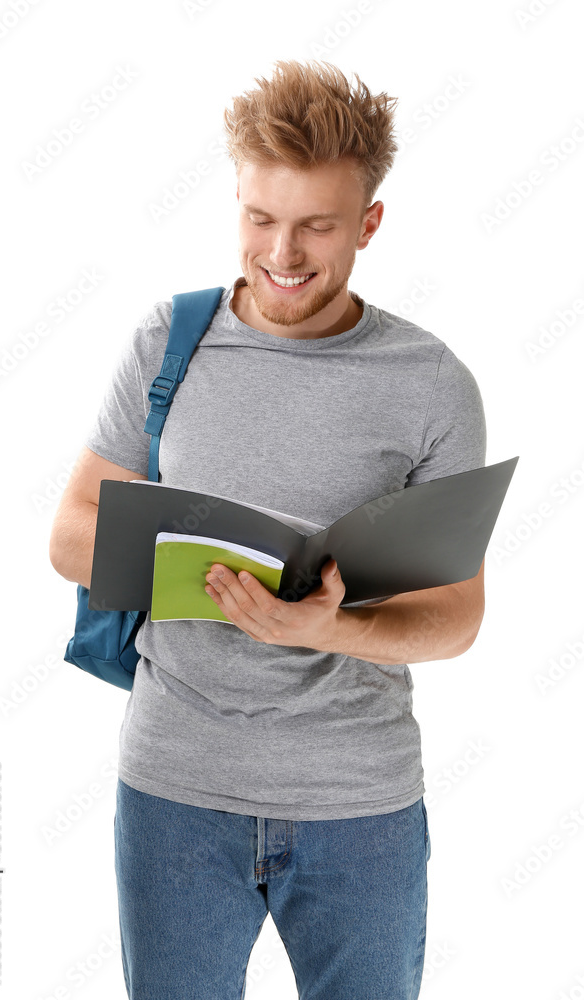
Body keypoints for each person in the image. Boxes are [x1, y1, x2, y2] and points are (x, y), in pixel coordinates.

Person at [49, 59, 486, 1000]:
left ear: (369, 224)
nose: (282, 253)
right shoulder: (169, 341)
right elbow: (69, 536)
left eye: (317, 227)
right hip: (173, 795)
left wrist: (333, 628)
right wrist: (191, 554)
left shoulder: (431, 383)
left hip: (359, 806)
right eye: (260, 219)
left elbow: (455, 614)